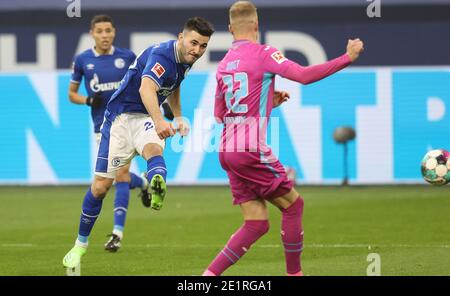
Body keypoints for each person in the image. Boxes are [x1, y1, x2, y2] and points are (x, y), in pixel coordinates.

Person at [202, 1, 364, 276]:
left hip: (227, 150)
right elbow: (301, 75)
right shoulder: (265, 53)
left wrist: (266, 102)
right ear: (257, 25)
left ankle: (206, 278)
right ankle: (295, 275)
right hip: (249, 148)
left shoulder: (224, 64)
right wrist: (346, 57)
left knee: (256, 223)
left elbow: (220, 114)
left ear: (230, 29)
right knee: (293, 205)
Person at [63, 16, 215, 271]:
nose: (197, 50)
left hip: (144, 116)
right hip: (119, 120)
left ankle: (157, 181)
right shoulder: (162, 56)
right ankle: (80, 244)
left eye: (203, 46)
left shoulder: (185, 60)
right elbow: (147, 89)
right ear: (181, 37)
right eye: (194, 43)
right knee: (100, 188)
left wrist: (177, 116)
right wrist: (160, 120)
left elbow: (174, 84)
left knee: (153, 149)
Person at [69, 14, 152, 252]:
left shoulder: (127, 57)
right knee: (116, 178)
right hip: (102, 128)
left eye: (108, 30)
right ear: (92, 34)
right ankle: (144, 182)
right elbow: (71, 94)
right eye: (100, 31)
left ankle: (117, 234)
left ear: (114, 32)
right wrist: (87, 99)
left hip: (128, 123)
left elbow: (144, 85)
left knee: (122, 174)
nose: (104, 35)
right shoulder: (83, 60)